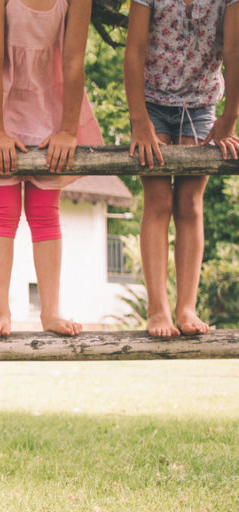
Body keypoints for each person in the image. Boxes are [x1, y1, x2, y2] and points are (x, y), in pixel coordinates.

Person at [0, 0, 102, 337]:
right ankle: (0, 309)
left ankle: (51, 311)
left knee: (44, 210)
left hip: (48, 100)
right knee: (3, 209)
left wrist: (68, 130)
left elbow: (73, 61)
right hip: (1, 101)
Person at [125, 0, 239, 338]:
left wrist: (229, 119)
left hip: (201, 104)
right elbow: (135, 48)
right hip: (152, 104)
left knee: (189, 204)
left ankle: (186, 306)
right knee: (158, 201)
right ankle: (157, 309)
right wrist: (139, 121)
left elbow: (233, 51)